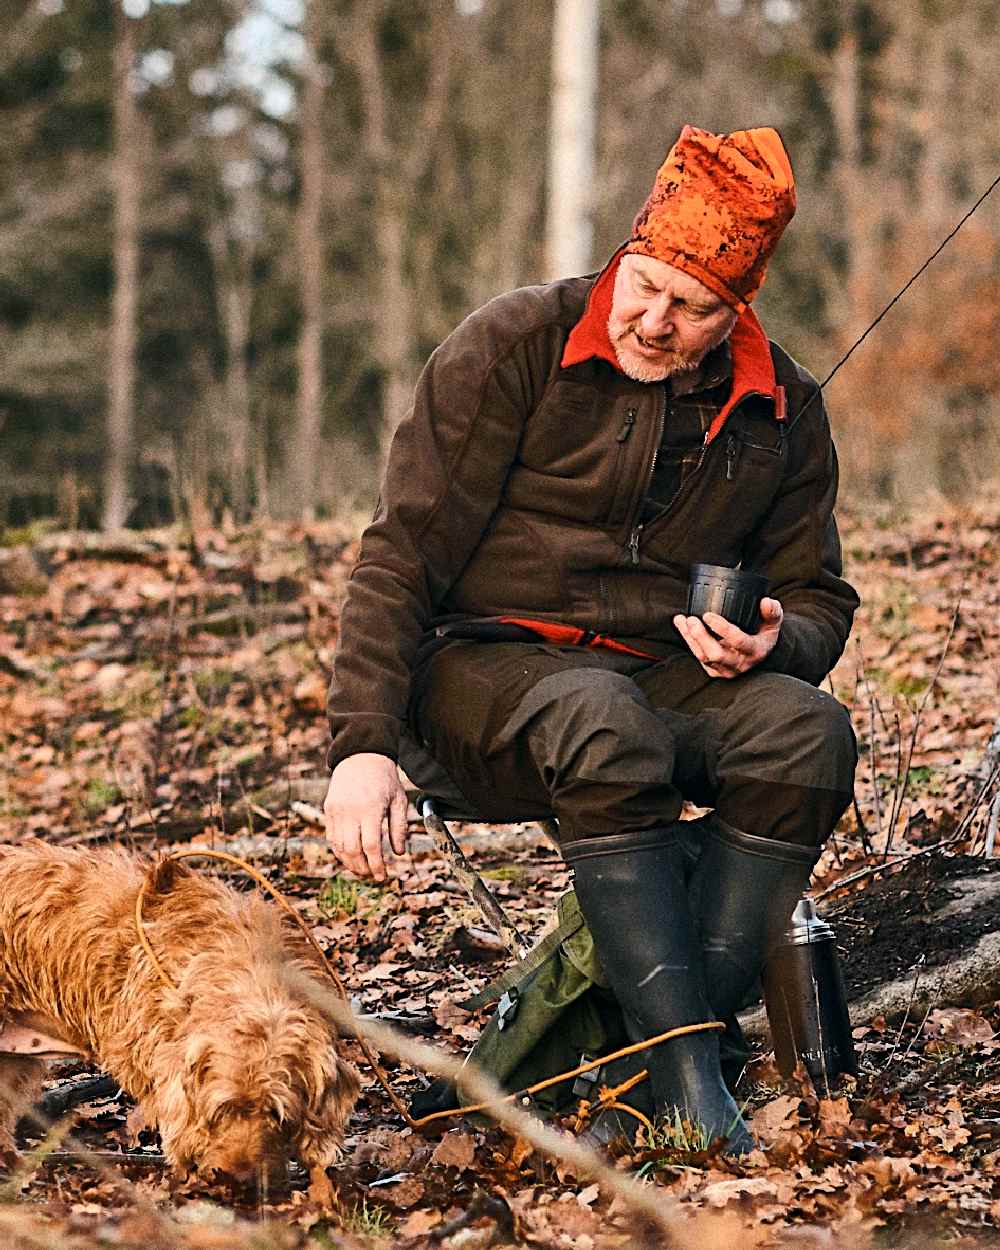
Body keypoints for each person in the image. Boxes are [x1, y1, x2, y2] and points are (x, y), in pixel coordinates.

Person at [322, 125, 859, 1150]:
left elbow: (820, 596)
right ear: (629, 250)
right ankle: (689, 1076)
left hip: (664, 679)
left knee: (807, 735)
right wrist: (362, 743)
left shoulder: (781, 405)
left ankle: (637, 1060)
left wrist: (776, 645)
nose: (654, 319)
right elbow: (400, 554)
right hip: (480, 672)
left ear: (734, 308)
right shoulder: (515, 343)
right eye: (644, 283)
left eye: (691, 305)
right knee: (601, 720)